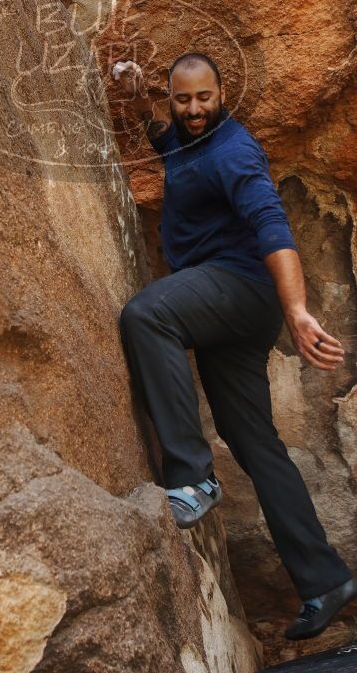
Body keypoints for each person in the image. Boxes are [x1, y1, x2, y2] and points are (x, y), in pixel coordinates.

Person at [113, 53, 356, 641]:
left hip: (241, 288)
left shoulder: (234, 151)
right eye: (182, 99)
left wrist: (297, 309)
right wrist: (138, 100)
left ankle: (192, 478)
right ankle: (325, 580)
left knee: (147, 315)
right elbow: (165, 137)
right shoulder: (186, 137)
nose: (195, 110)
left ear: (223, 92)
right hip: (225, 303)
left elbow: (273, 227)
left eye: (204, 98)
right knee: (255, 443)